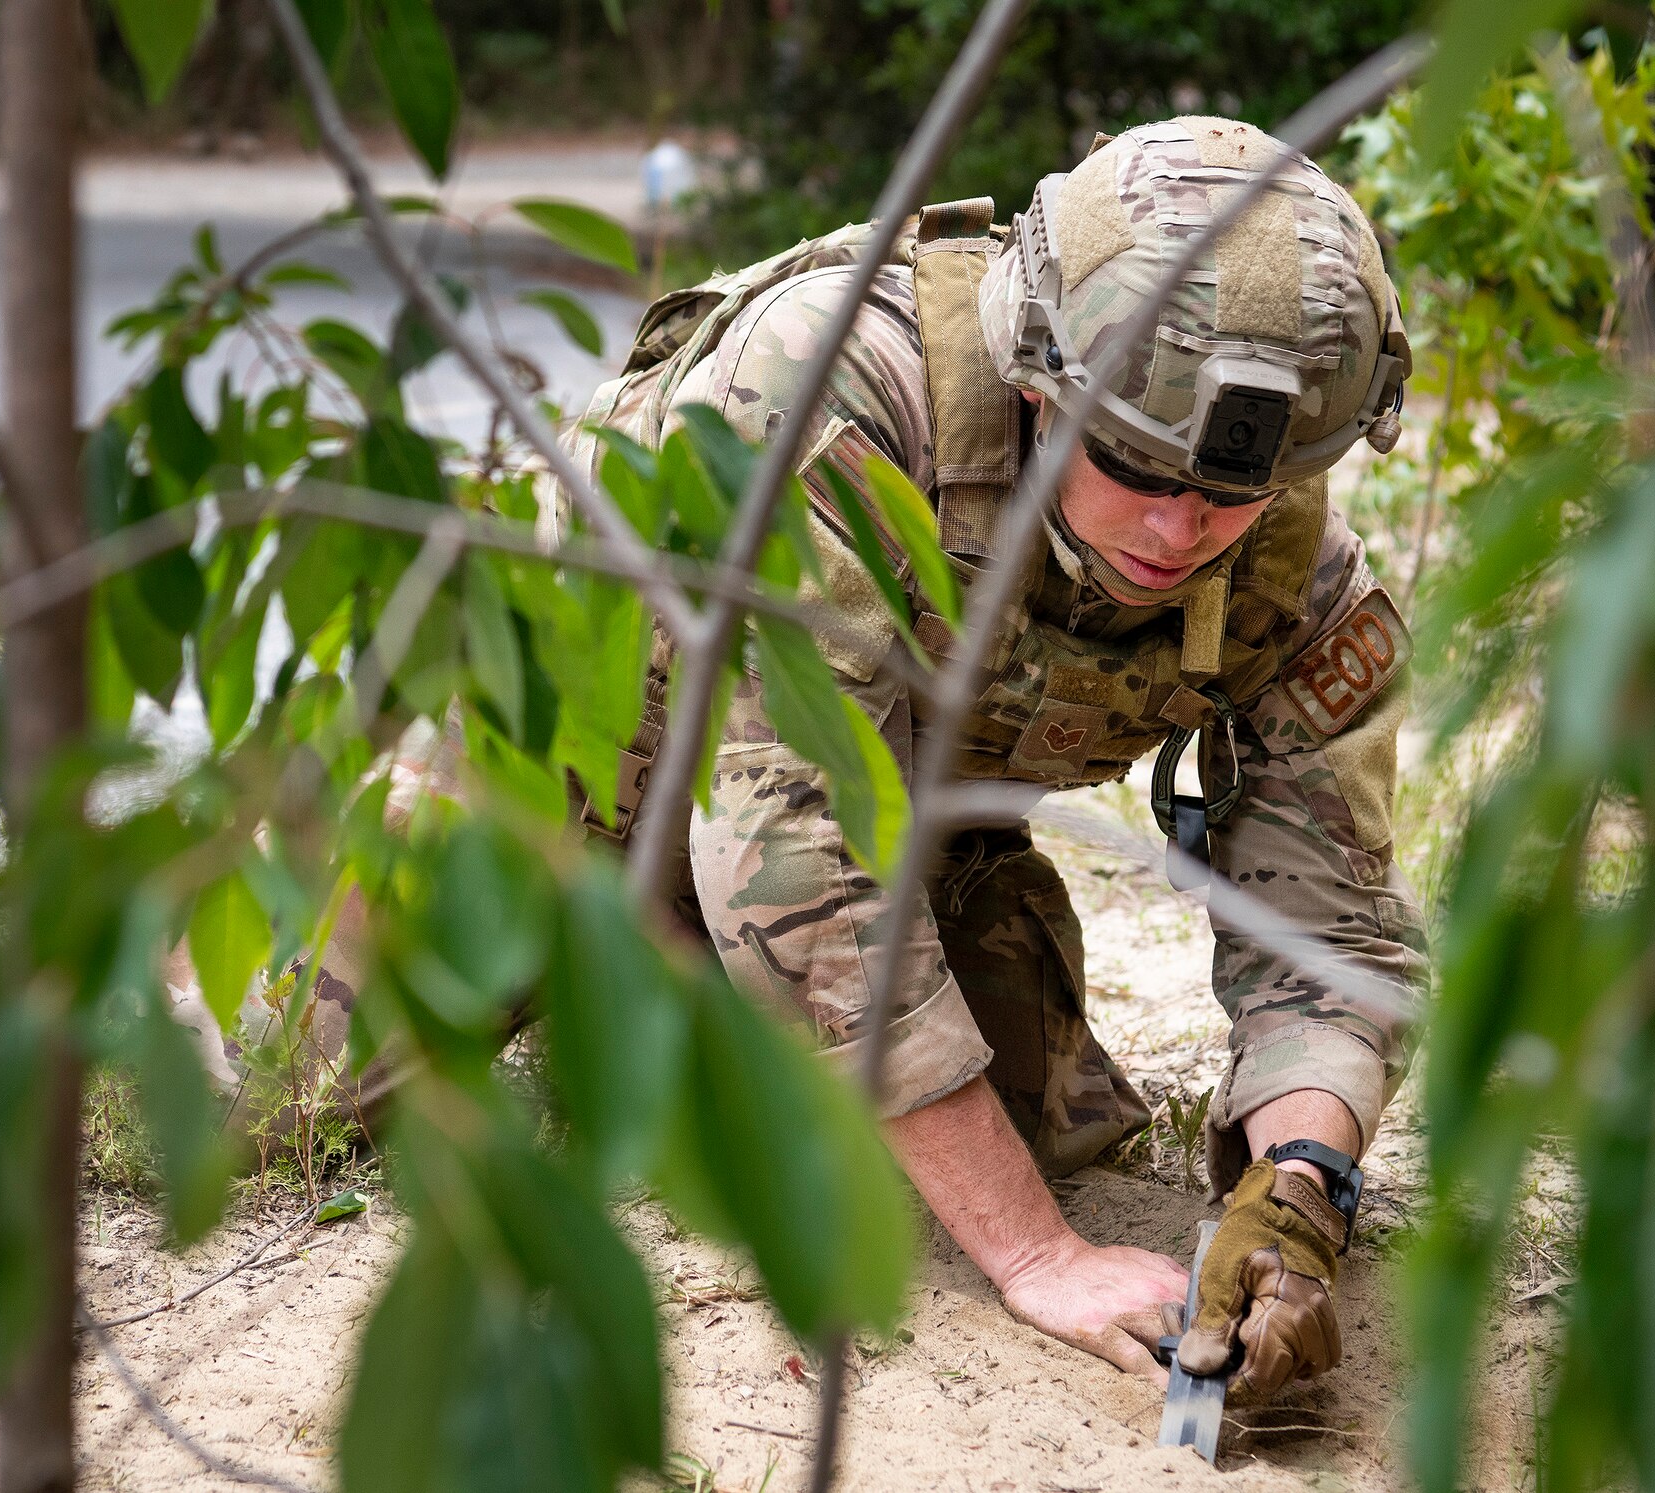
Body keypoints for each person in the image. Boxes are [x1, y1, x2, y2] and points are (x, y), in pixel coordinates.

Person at [559, 115, 1430, 1401]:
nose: (1178, 527)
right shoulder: (835, 405)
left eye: (1227, 491)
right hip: (542, 779)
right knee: (298, 1098)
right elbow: (785, 844)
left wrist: (1301, 1189)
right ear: (1038, 376)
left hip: (884, 829)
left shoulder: (1288, 575)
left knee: (1018, 1102)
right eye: (1131, 461)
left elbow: (1333, 932)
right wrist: (1037, 1254)